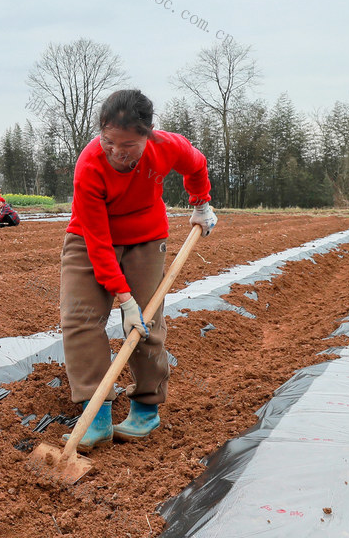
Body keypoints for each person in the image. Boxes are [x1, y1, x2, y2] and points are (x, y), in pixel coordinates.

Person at [60, 88, 217, 451]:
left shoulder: (168, 147)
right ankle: (95, 418)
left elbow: (196, 165)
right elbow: (98, 243)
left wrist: (201, 202)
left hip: (146, 238)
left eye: (128, 144)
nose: (117, 152)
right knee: (80, 320)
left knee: (146, 325)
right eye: (109, 141)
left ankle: (145, 408)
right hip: (90, 238)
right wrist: (123, 298)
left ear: (148, 136)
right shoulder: (89, 166)